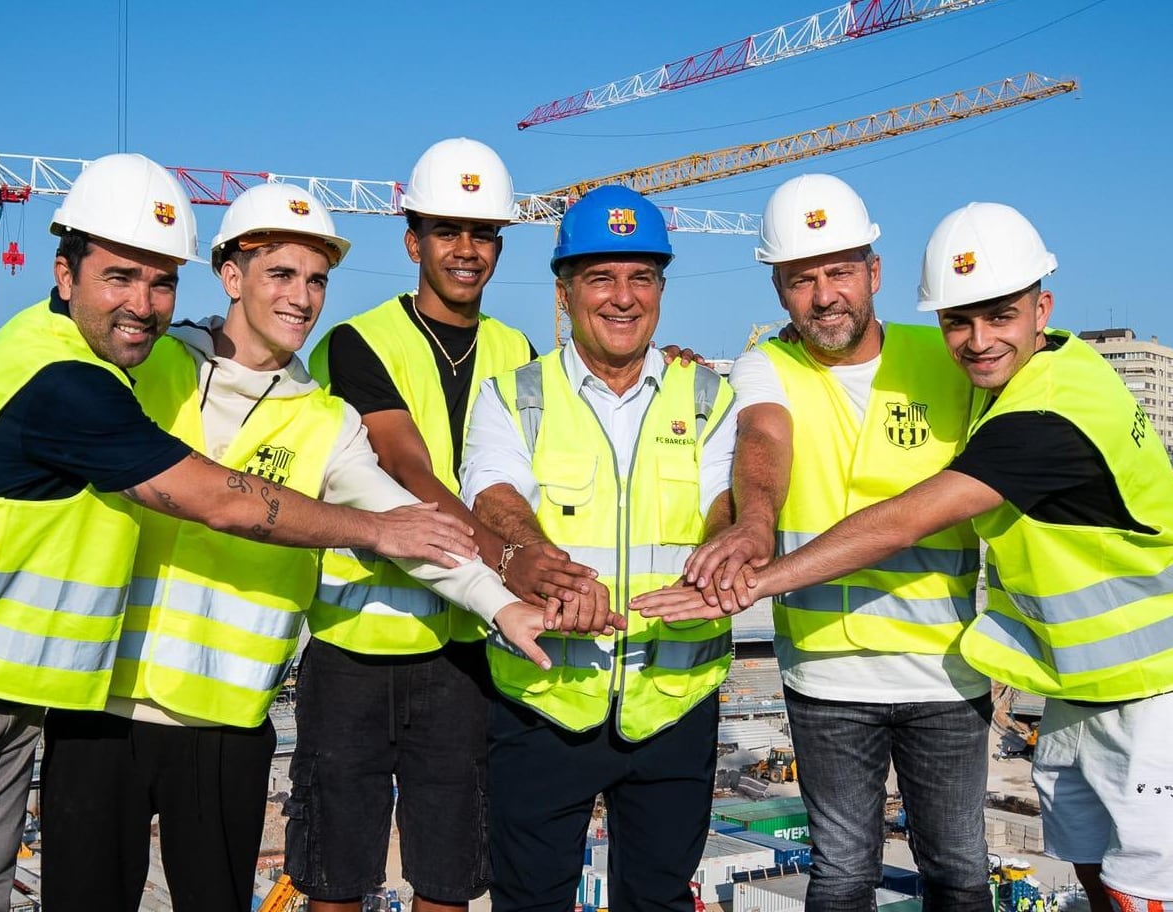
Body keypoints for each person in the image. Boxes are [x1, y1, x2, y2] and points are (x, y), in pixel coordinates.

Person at [0, 153, 478, 912]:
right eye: (119, 277)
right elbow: (219, 500)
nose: (141, 301)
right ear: (64, 273)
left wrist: (503, 598)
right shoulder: (92, 375)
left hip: (79, 697)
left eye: (159, 280)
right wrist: (371, 529)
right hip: (68, 699)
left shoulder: (314, 416)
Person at [638, 202, 1173, 911]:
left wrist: (757, 579)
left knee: (1003, 872)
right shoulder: (1005, 372)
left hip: (1110, 685)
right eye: (959, 320)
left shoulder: (1035, 405)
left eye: (998, 316)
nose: (977, 340)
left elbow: (902, 521)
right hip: (1051, 680)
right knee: (871, 872)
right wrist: (752, 518)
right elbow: (762, 437)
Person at [648, 174, 994, 911]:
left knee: (960, 874)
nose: (823, 294)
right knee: (840, 876)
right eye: (800, 278)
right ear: (778, 289)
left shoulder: (944, 358)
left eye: (839, 270)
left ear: (873, 272)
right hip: (825, 676)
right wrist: (752, 520)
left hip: (945, 671)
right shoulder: (764, 365)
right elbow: (762, 440)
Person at [286, 138, 607, 912]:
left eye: (483, 233)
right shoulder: (357, 341)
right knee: (334, 877)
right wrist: (507, 559)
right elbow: (406, 467)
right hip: (356, 642)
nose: (467, 250)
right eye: (447, 232)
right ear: (413, 243)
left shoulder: (516, 349)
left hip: (464, 654)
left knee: (451, 876)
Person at [459, 184, 743, 912]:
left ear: (661, 287)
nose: (623, 297)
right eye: (600, 277)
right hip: (544, 702)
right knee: (529, 902)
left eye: (640, 276)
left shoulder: (708, 396)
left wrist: (717, 559)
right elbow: (493, 495)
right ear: (563, 290)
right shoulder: (514, 394)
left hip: (673, 703)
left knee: (659, 903)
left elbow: (724, 501)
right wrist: (547, 568)